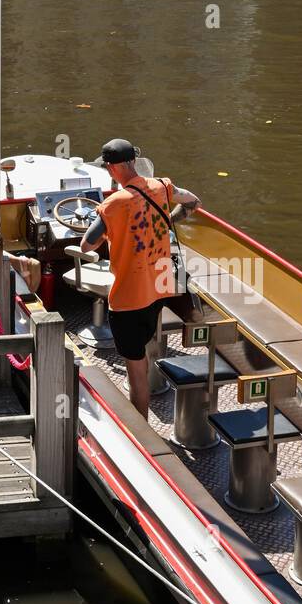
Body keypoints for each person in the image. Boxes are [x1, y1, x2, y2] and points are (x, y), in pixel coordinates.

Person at [80, 139, 200, 421]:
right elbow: (193, 201)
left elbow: (87, 245)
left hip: (128, 299)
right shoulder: (161, 186)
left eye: (109, 169)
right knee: (143, 351)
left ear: (113, 168)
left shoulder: (112, 204)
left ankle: (141, 432)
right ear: (134, 161)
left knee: (136, 369)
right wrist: (168, 220)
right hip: (158, 291)